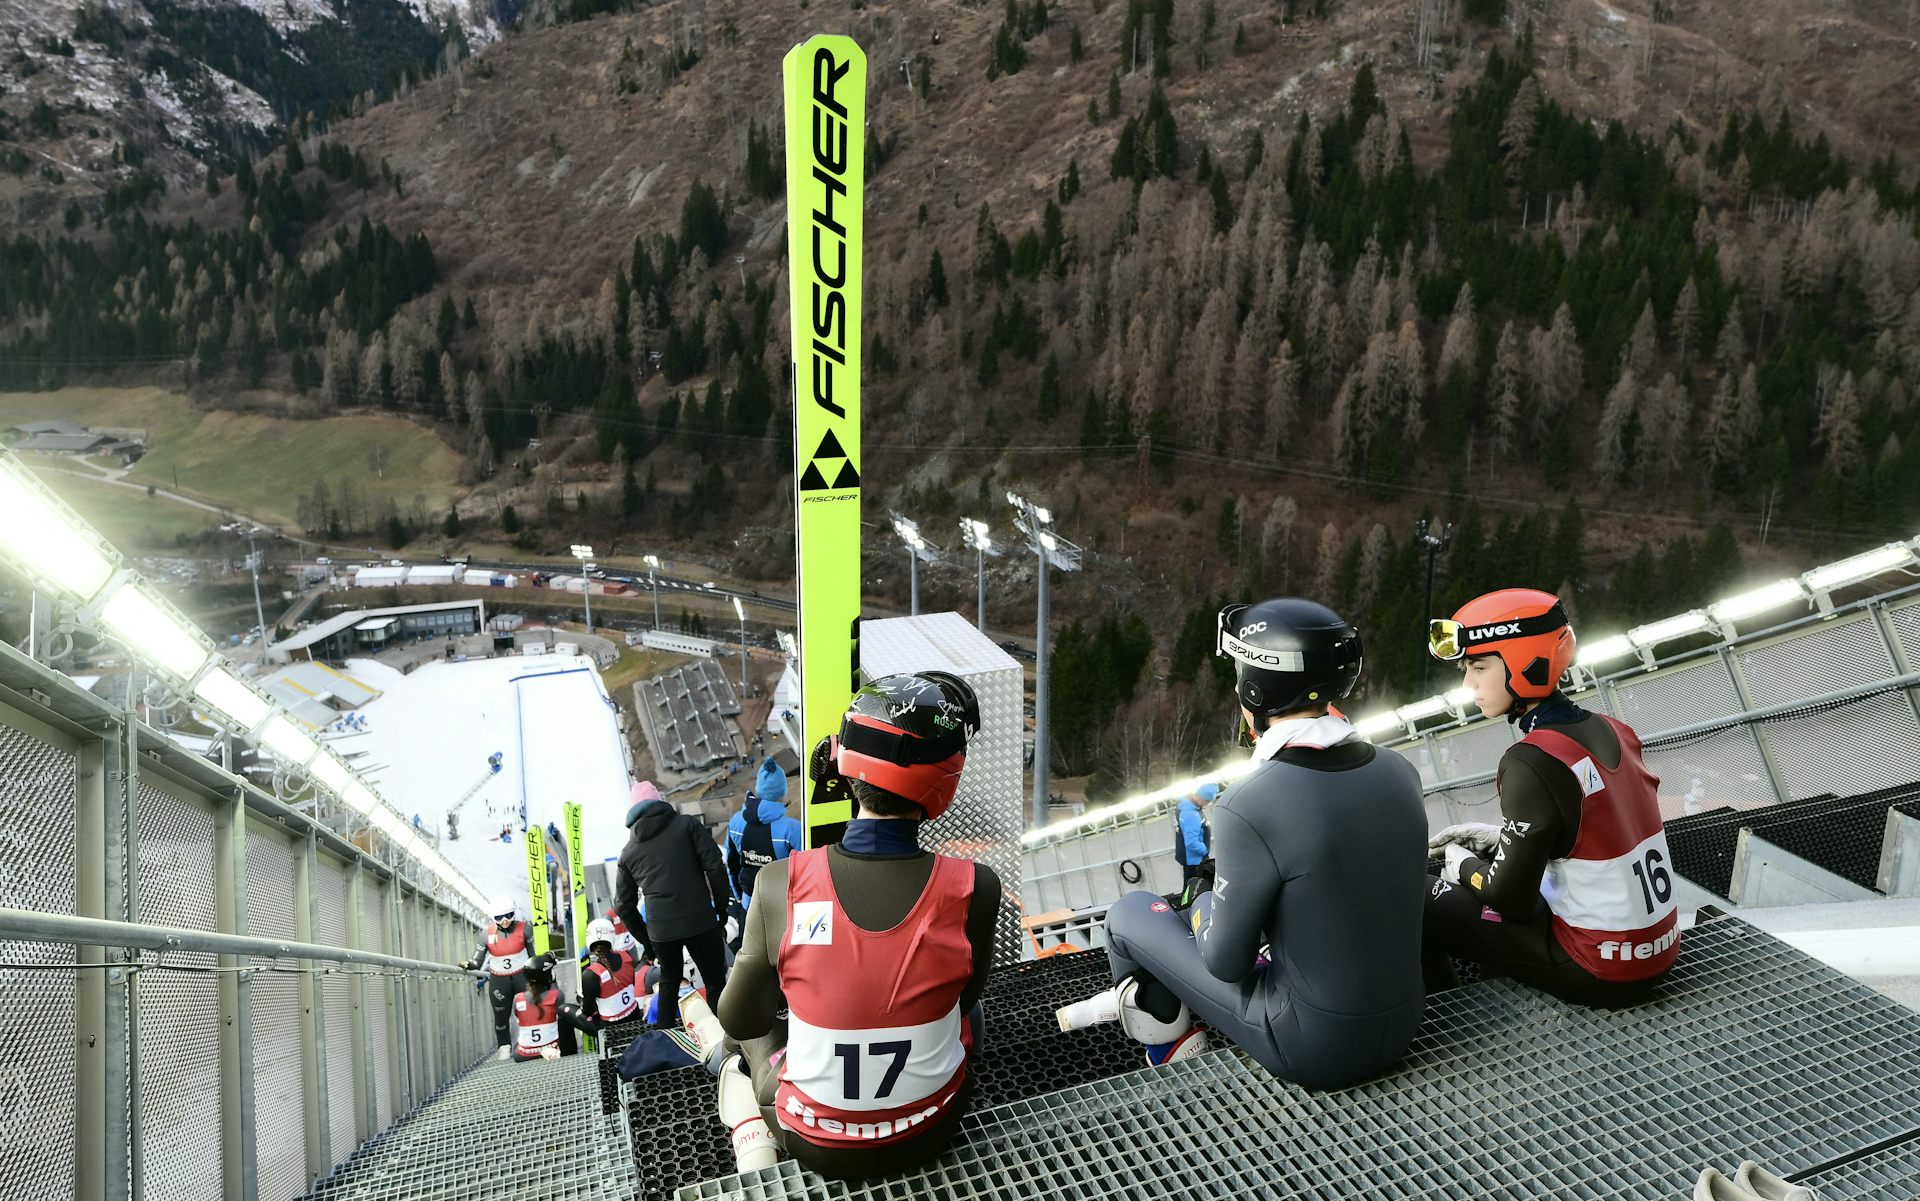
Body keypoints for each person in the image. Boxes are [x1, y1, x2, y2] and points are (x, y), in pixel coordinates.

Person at [1068, 598, 1428, 1088]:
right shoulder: (1399, 771)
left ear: (1255, 688)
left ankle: (1167, 1039)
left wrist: (1199, 903)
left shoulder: (1248, 801)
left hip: (1312, 1048)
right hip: (1405, 1025)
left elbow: (1224, 961)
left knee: (1129, 913)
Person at [714, 672, 1003, 1180]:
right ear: (944, 781)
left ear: (845, 768)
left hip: (815, 1141)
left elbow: (740, 1019)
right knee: (967, 1017)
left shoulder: (781, 883)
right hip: (933, 1126)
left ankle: (747, 1126)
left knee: (741, 1039)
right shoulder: (976, 886)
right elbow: (965, 996)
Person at [1423, 588, 1678, 1006]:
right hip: (1659, 949)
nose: (1468, 684)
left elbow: (1509, 900)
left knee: (1418, 894)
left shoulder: (1529, 759)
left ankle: (1448, 1025)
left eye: (1479, 666)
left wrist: (1459, 861)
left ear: (1525, 663)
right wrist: (1502, 838)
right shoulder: (1614, 728)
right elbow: (1595, 829)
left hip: (1597, 970)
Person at [614, 779, 733, 1029]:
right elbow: (715, 866)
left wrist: (648, 940)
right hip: (699, 919)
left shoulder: (629, 852)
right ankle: (730, 1041)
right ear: (660, 802)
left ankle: (665, 1040)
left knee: (669, 981)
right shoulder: (687, 825)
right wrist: (721, 908)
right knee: (714, 982)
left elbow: (623, 905)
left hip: (662, 931)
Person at [725, 759, 805, 917]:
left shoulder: (736, 821)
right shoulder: (792, 829)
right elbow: (805, 872)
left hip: (750, 901)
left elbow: (732, 864)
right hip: (784, 906)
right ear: (782, 792)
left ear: (758, 789)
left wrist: (739, 896)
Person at [460, 894, 535, 1051]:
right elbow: (477, 961)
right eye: (500, 917)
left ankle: (532, 1042)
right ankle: (504, 1047)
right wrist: (469, 964)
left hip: (522, 976)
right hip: (499, 980)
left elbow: (533, 955)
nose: (505, 921)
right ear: (494, 917)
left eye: (508, 916)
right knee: (501, 1015)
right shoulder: (486, 934)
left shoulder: (525, 929)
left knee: (530, 1009)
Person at [565, 918, 642, 1031]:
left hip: (609, 1028)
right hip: (634, 1015)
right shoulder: (626, 957)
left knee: (563, 1010)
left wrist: (581, 999)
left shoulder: (591, 974)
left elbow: (588, 1011)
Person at [509, 954, 576, 1061]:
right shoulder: (557, 995)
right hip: (551, 1051)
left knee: (516, 1022)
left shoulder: (518, 998)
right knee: (565, 1015)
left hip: (522, 1055)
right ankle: (571, 1055)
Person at [1167, 782, 1219, 906]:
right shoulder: (1190, 813)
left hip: (1191, 859)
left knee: (1189, 887)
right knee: (1191, 889)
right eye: (1208, 802)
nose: (1207, 805)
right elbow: (1191, 842)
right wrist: (1204, 851)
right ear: (1203, 799)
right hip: (1194, 861)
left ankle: (1186, 908)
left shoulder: (1188, 807)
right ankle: (1187, 910)